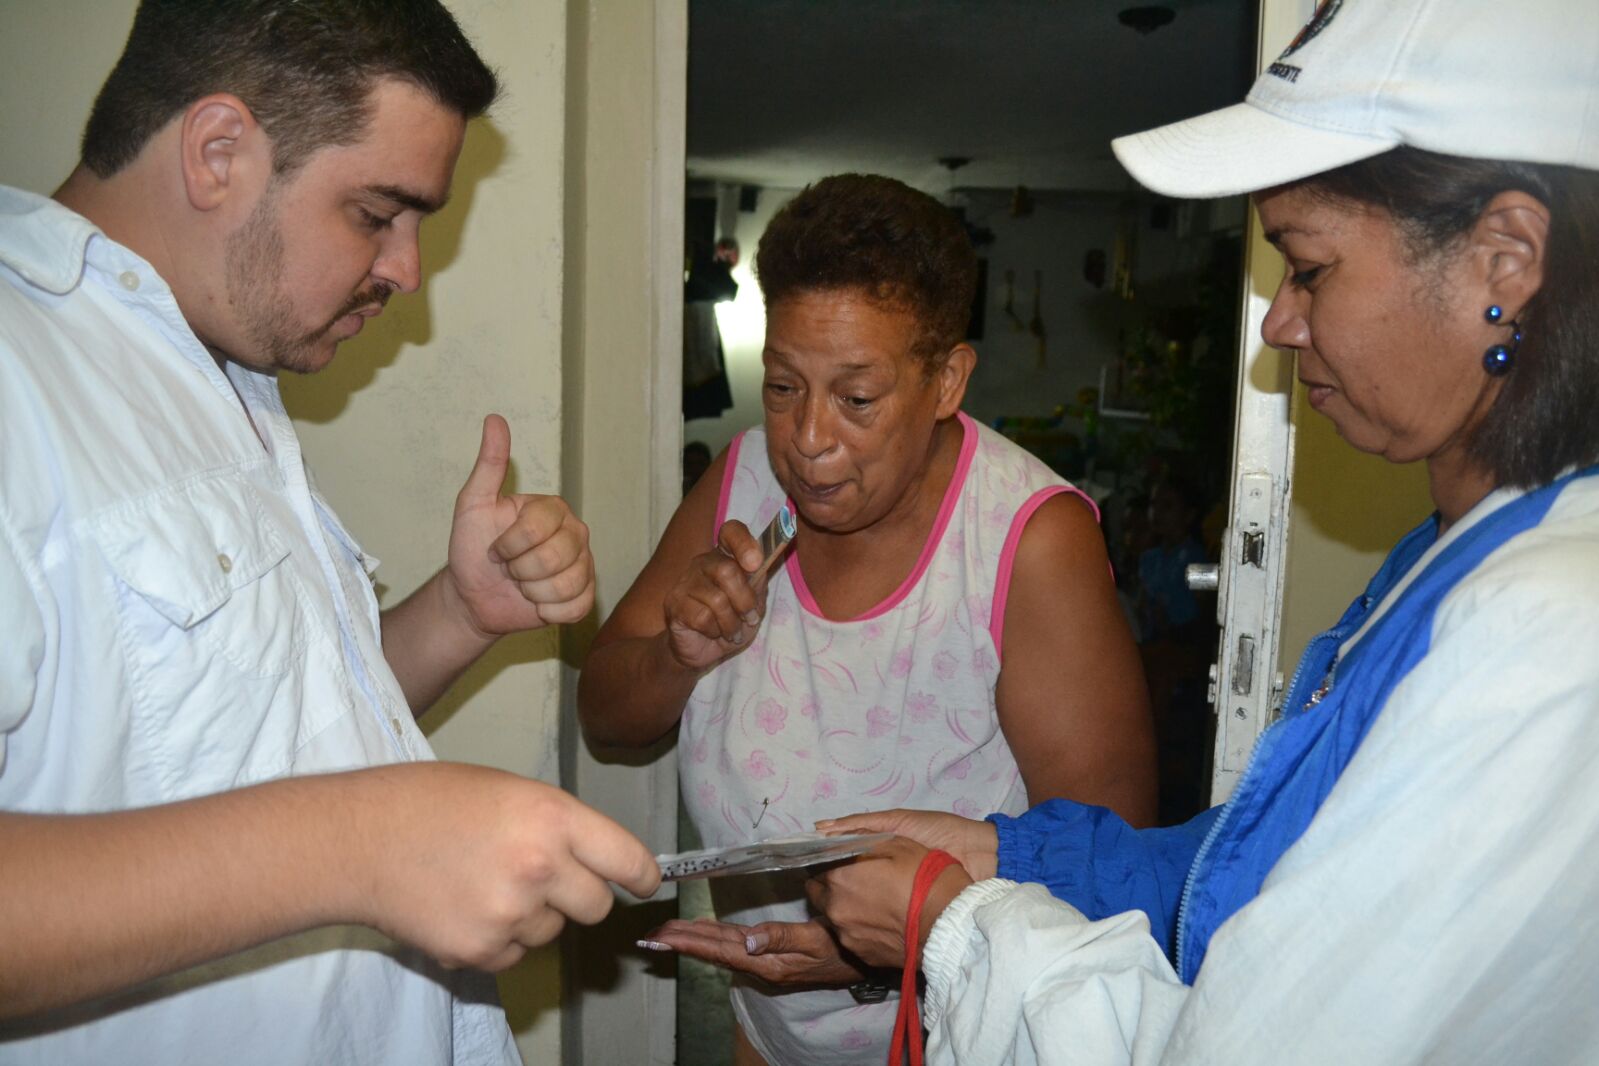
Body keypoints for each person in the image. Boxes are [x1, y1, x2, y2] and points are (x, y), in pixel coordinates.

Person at [811, 1, 1599, 1062]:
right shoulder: (1462, 551)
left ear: (1505, 259)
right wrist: (1007, 854)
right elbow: (1262, 870)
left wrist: (955, 924)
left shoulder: (1543, 630)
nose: (1278, 320)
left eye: (1310, 268)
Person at [0, 3, 658, 1062]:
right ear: (218, 152)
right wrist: (363, 845)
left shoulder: (226, 374)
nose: (408, 273)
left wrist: (458, 612)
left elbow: (260, 734)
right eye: (376, 212)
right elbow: (328, 828)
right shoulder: (19, 370)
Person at [578, 174, 1155, 1065]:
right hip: (768, 1038)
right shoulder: (743, 482)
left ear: (946, 380)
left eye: (856, 399)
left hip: (959, 1039)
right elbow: (608, 718)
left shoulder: (1028, 542)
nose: (807, 440)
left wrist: (876, 962)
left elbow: (1107, 875)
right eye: (780, 387)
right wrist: (679, 656)